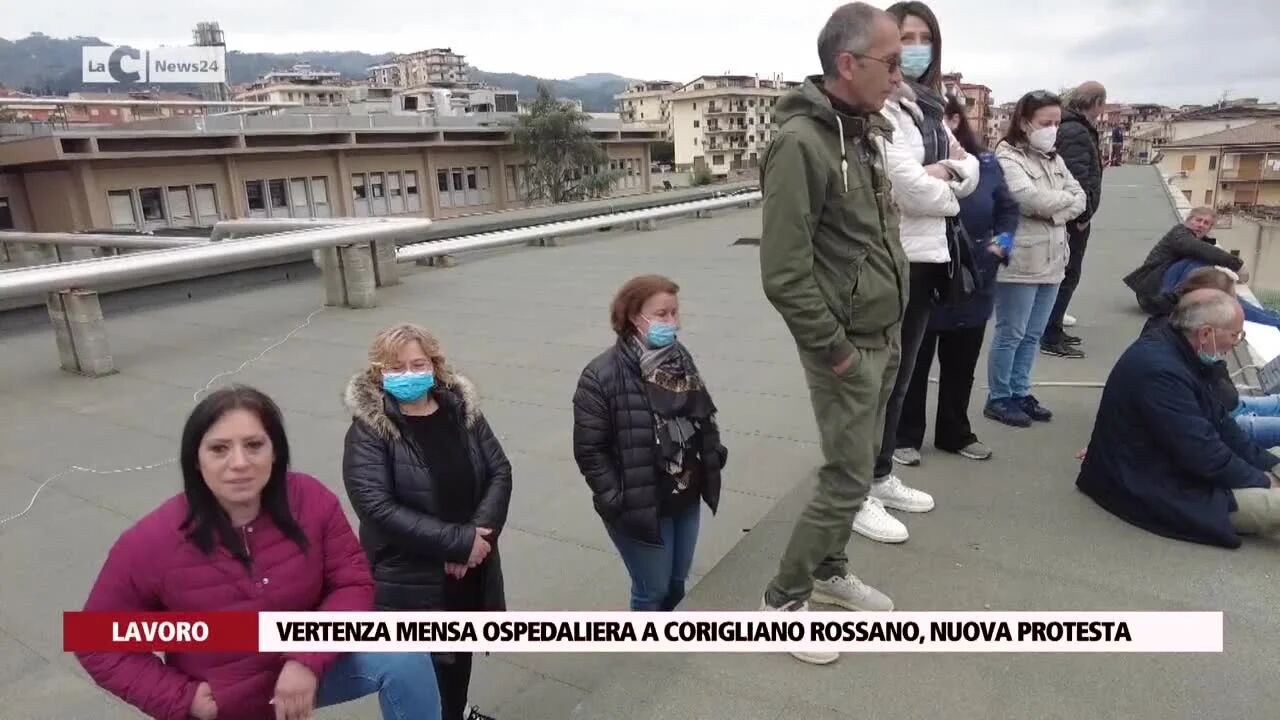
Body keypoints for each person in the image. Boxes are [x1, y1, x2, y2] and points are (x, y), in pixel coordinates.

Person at [75, 385, 440, 720]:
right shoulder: (153, 540)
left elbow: (352, 583)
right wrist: (182, 698)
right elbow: (94, 641)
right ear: (196, 458)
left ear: (275, 451)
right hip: (229, 703)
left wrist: (306, 658)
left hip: (307, 672)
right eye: (219, 449)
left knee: (405, 655)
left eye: (253, 445)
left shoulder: (310, 500)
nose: (239, 463)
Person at [757, 2, 903, 666]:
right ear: (847, 63)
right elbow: (784, 273)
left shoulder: (861, 133)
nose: (899, 77)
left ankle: (830, 569)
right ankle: (783, 600)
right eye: (890, 63)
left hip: (881, 331)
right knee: (846, 477)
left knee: (862, 465)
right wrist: (836, 350)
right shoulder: (801, 144)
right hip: (844, 344)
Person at [342, 324, 510, 720]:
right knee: (417, 671)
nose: (408, 374)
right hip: (410, 577)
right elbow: (376, 507)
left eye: (418, 364)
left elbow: (499, 471)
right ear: (379, 373)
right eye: (395, 367)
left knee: (459, 655)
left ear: (434, 365)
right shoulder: (370, 429)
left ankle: (456, 711)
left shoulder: (461, 412)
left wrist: (476, 541)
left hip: (471, 567)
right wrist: (458, 543)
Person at [572, 274, 727, 611]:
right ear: (633, 316)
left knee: (677, 581)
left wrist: (713, 455)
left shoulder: (679, 356)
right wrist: (617, 500)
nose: (672, 322)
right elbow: (589, 451)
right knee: (652, 589)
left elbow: (701, 412)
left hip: (685, 493)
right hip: (641, 505)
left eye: (674, 312)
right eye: (661, 314)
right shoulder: (600, 375)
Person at [1077, 289, 1280, 548]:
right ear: (1205, 334)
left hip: (1171, 468)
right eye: (1235, 335)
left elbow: (1225, 429)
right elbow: (1205, 455)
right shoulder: (1161, 373)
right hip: (1155, 486)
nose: (1236, 343)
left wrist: (1271, 467)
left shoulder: (1178, 350)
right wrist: (1266, 481)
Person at [874, 1, 978, 497]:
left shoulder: (930, 109)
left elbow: (970, 166)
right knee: (883, 380)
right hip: (896, 258)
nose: (916, 49)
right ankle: (865, 483)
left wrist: (944, 176)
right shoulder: (883, 107)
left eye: (925, 39)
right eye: (905, 38)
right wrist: (951, 188)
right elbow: (906, 189)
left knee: (902, 375)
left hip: (930, 255)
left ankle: (880, 474)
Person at [897, 95, 1018, 463]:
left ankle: (955, 433)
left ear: (953, 120)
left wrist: (1001, 243)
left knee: (961, 364)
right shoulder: (909, 164)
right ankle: (904, 436)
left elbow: (1008, 209)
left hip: (973, 277)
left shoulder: (986, 164)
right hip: (925, 275)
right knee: (914, 365)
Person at [984, 90, 1087, 428]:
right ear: (1026, 122)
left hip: (1054, 260)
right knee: (1011, 333)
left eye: (1057, 122)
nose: (1053, 128)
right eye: (1046, 122)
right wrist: (1060, 205)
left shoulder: (1054, 159)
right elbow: (1026, 199)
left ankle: (1020, 391)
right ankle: (999, 397)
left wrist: (1053, 210)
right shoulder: (1007, 156)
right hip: (1022, 261)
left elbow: (1081, 198)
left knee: (1033, 334)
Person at [1041, 81, 1107, 359]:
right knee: (1067, 274)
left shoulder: (1073, 127)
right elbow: (1076, 176)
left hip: (1073, 215)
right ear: (1097, 103)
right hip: (1073, 219)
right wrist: (1081, 215)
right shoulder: (1076, 131)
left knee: (1065, 274)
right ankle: (1050, 333)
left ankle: (1053, 327)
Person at [1124, 206, 1247, 316]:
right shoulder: (1179, 234)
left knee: (1229, 301)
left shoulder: (1200, 242)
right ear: (1188, 221)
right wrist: (1237, 265)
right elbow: (1196, 247)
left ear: (1209, 229)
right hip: (1152, 298)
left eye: (1206, 223)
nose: (1201, 225)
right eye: (1198, 220)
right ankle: (1181, 301)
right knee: (1200, 260)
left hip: (1161, 296)